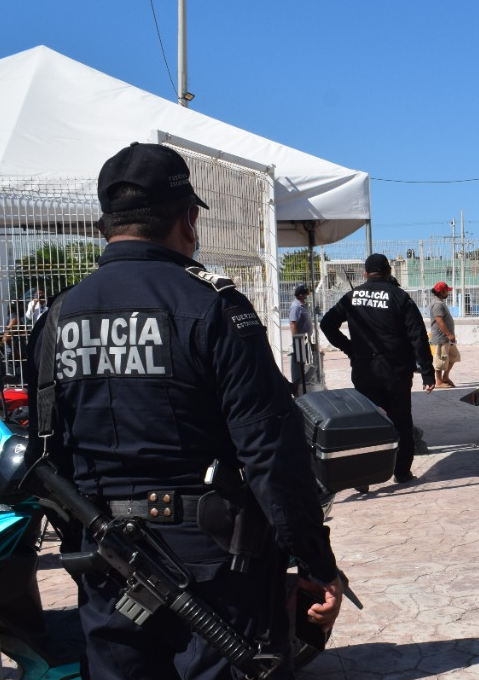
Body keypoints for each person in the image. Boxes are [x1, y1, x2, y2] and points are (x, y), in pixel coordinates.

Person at [24, 142, 343, 680]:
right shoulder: (213, 306)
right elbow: (270, 454)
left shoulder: (57, 319)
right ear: (189, 218)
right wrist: (314, 563)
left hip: (105, 564)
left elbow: (48, 452)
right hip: (216, 570)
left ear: (105, 224)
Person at [320, 253, 435, 484]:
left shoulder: (352, 296)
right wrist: (427, 371)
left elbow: (326, 324)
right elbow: (417, 335)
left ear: (365, 273)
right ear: (388, 271)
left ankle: (363, 477)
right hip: (395, 370)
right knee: (400, 421)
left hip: (364, 370)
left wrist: (350, 348)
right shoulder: (399, 296)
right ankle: (401, 472)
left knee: (367, 423)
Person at [429, 281, 460, 388]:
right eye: (447, 291)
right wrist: (449, 334)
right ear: (442, 292)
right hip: (441, 337)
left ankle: (445, 377)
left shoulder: (440, 302)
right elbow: (439, 321)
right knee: (440, 360)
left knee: (454, 356)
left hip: (447, 338)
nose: (448, 293)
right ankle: (438, 381)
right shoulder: (437, 304)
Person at [289, 283, 314, 396]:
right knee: (301, 366)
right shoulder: (296, 307)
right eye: (304, 294)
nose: (306, 296)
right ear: (300, 295)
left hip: (305, 339)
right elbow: (293, 324)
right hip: (300, 340)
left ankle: (304, 387)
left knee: (307, 365)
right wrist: (296, 340)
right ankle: (299, 389)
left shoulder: (303, 305)